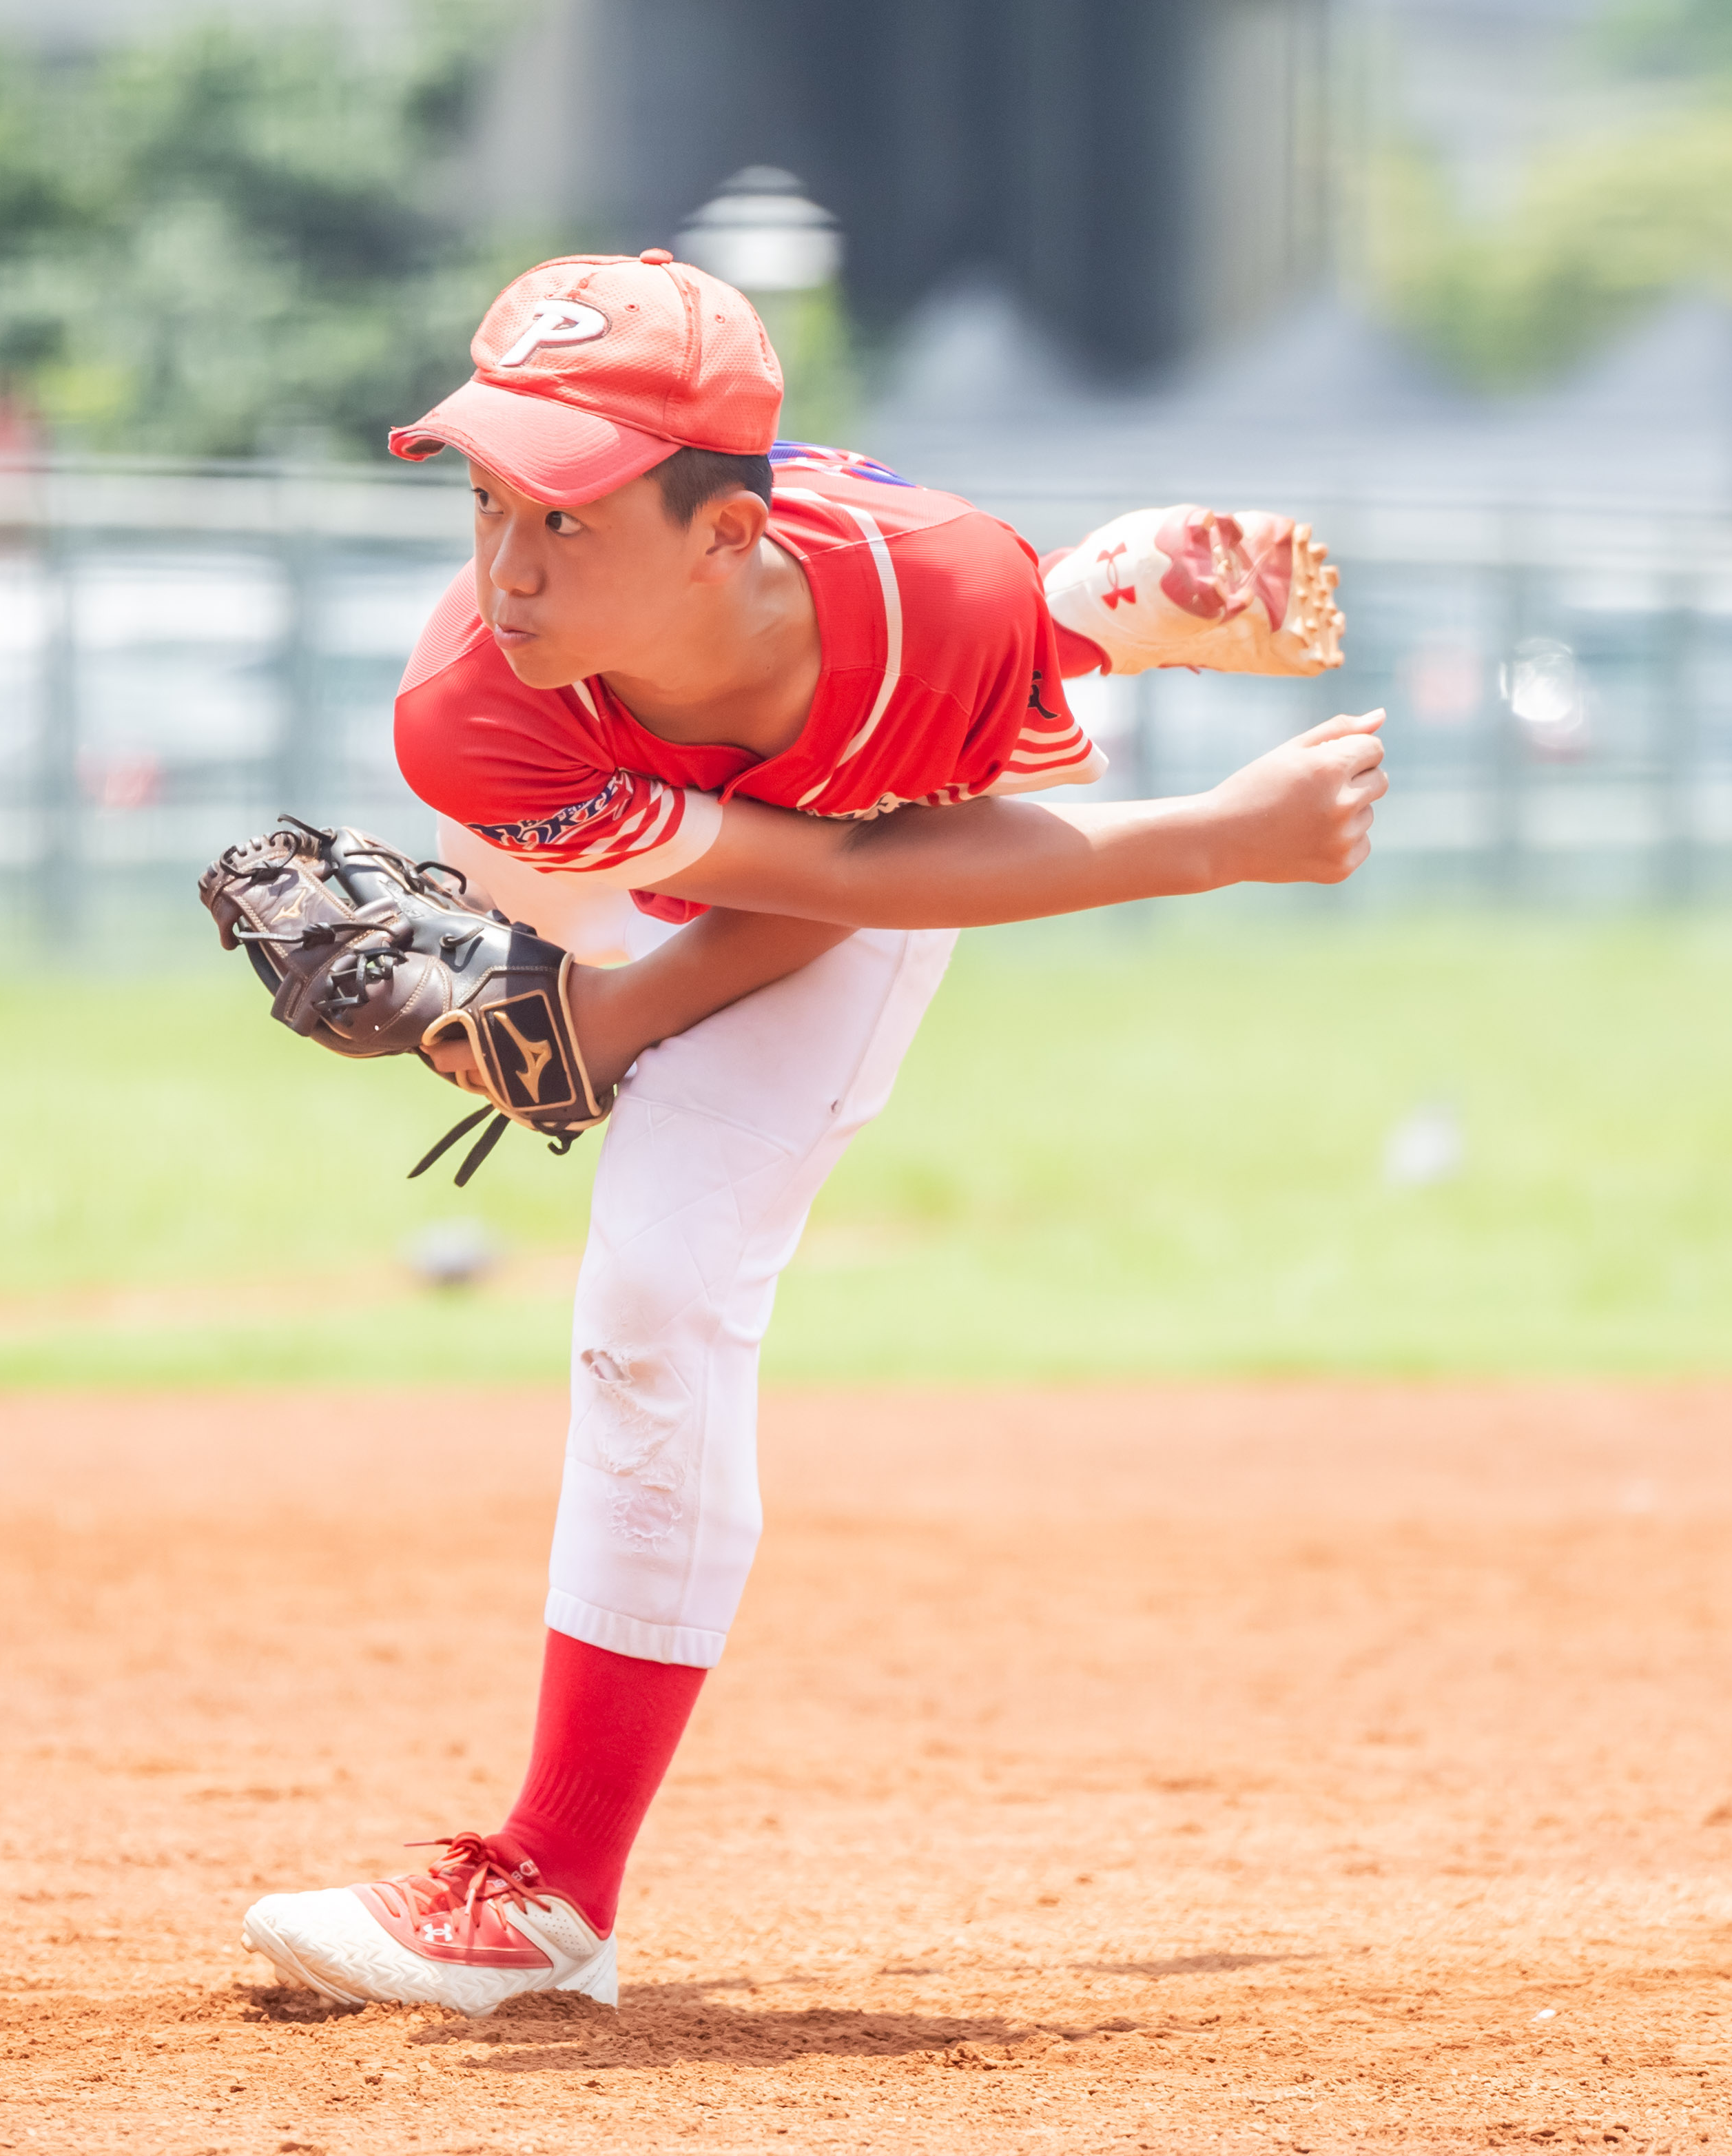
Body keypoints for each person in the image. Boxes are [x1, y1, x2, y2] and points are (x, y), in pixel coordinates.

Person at [239, 249, 1384, 2015]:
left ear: (724, 531)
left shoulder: (934, 597)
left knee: (660, 1298)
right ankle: (1099, 610)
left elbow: (860, 877)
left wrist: (1220, 834)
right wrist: (579, 1011)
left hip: (882, 770)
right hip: (632, 815)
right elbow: (735, 872)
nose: (510, 566)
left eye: (566, 512)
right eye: (487, 500)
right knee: (637, 914)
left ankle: (547, 1895)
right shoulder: (473, 696)